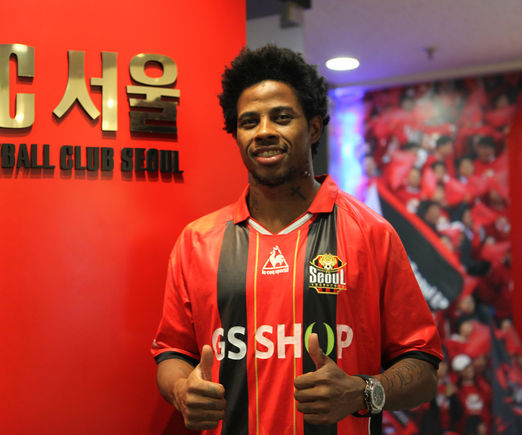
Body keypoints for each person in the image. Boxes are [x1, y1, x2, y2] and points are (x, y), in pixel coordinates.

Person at [151, 45, 443, 435]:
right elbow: (172, 353)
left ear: (315, 128)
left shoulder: (371, 233)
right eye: (249, 121)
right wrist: (181, 390)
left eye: (282, 117)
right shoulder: (197, 242)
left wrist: (362, 392)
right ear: (236, 135)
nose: (264, 131)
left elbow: (423, 366)